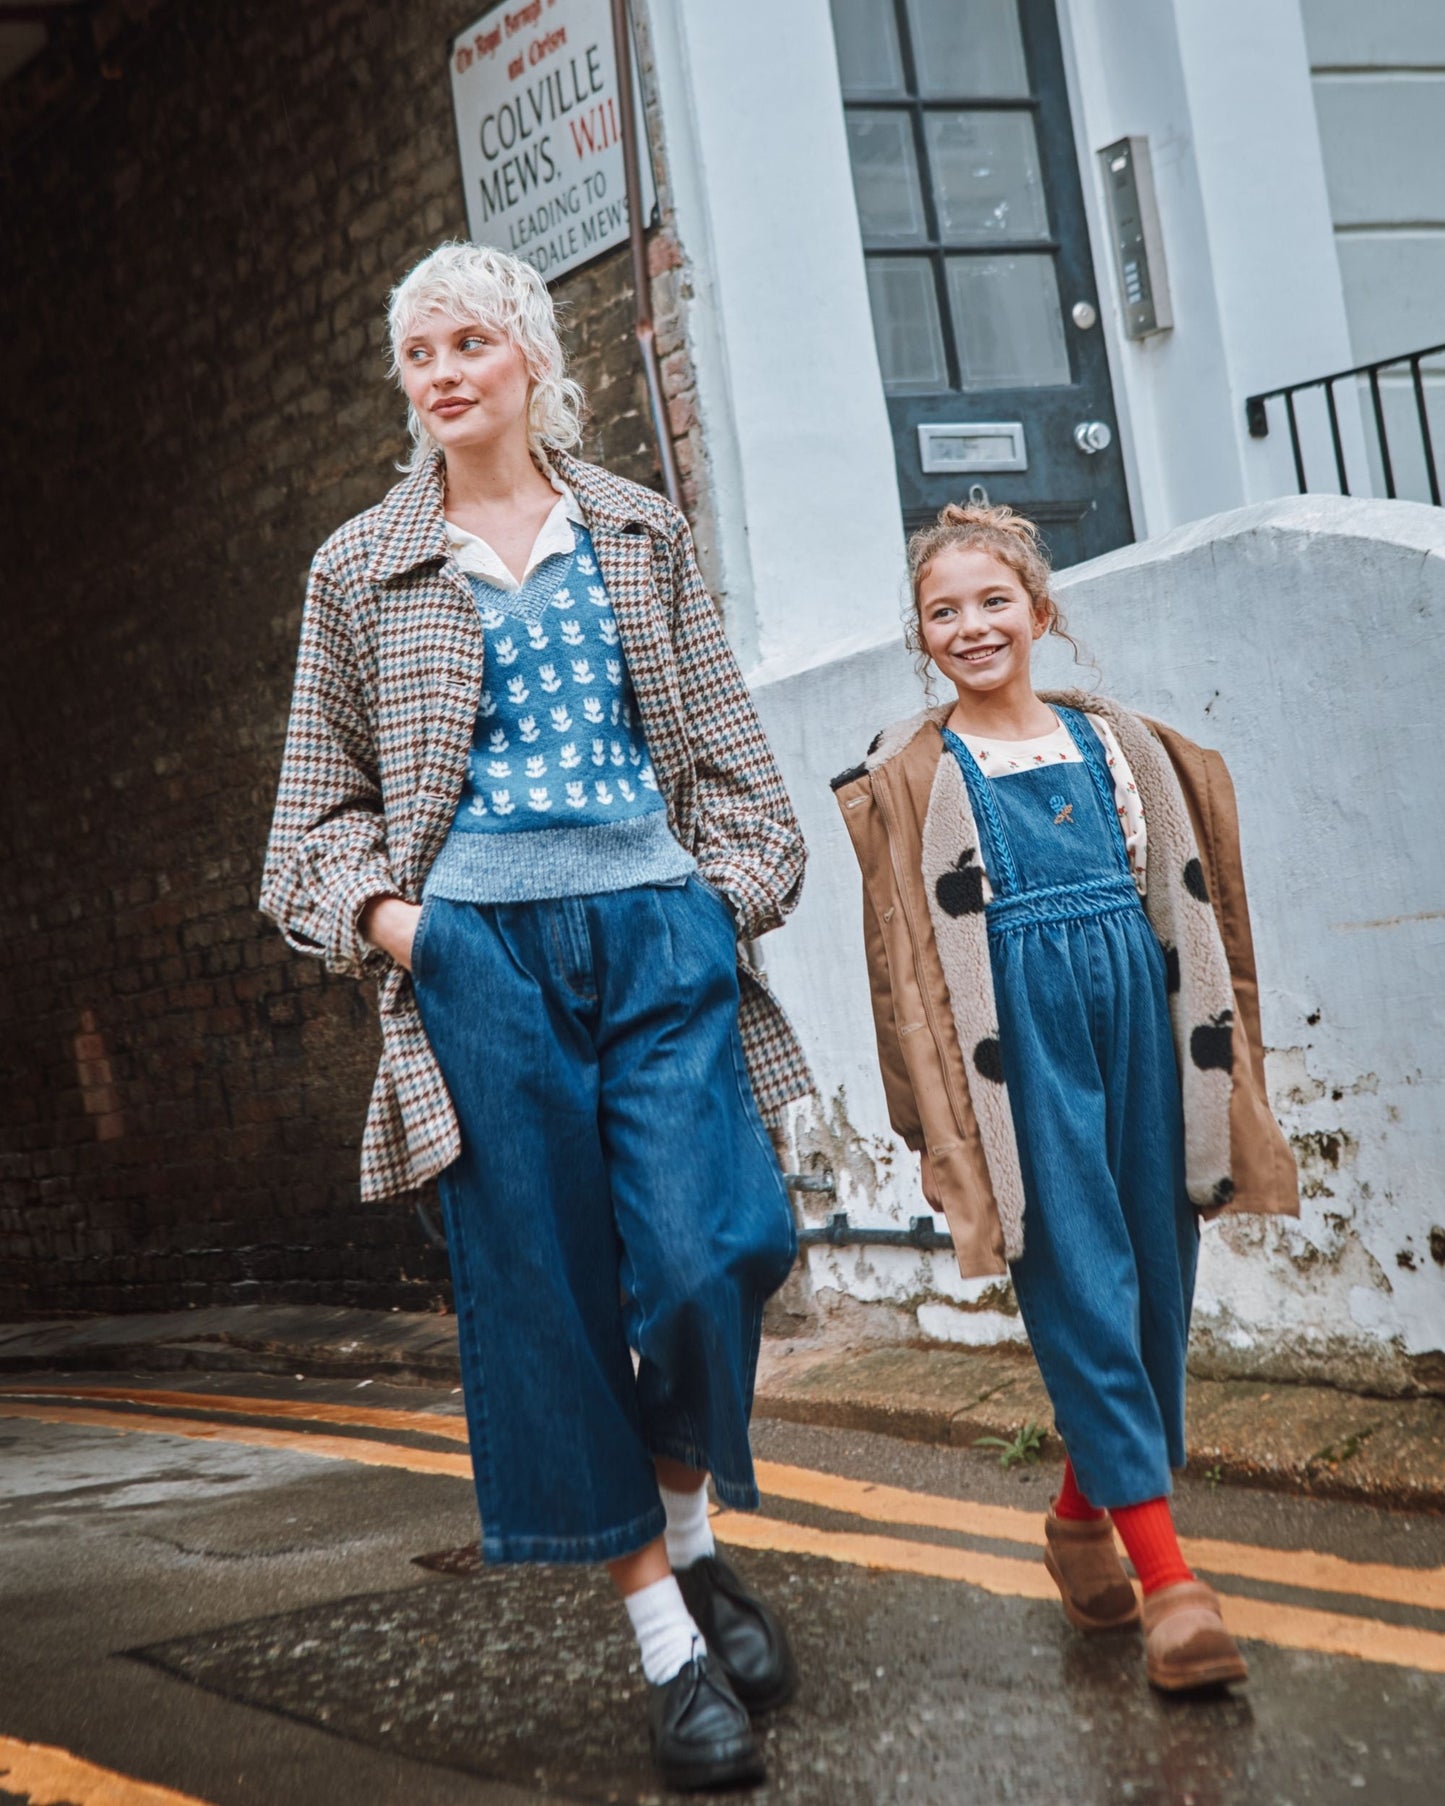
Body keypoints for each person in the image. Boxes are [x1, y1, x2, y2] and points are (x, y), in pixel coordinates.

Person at [261, 242, 811, 1791]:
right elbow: (309, 820)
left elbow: (737, 769)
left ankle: (687, 1528)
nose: (442, 373)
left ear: (530, 360)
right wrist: (408, 929)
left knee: (716, 1246)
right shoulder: (359, 568)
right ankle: (666, 1639)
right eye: (418, 352)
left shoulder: (636, 529)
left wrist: (711, 901)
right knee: (544, 1292)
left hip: (656, 934)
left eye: (469, 344)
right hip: (479, 962)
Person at [831, 502, 1298, 1693]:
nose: (971, 626)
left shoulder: (1122, 746)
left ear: (1039, 612)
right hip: (1017, 1053)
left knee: (1153, 1280)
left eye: (993, 601)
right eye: (943, 611)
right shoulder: (913, 777)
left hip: (1138, 1022)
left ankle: (1080, 1520)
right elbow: (900, 975)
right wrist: (926, 1128)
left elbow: (1188, 909)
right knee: (1079, 1281)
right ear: (920, 636)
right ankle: (1170, 1584)